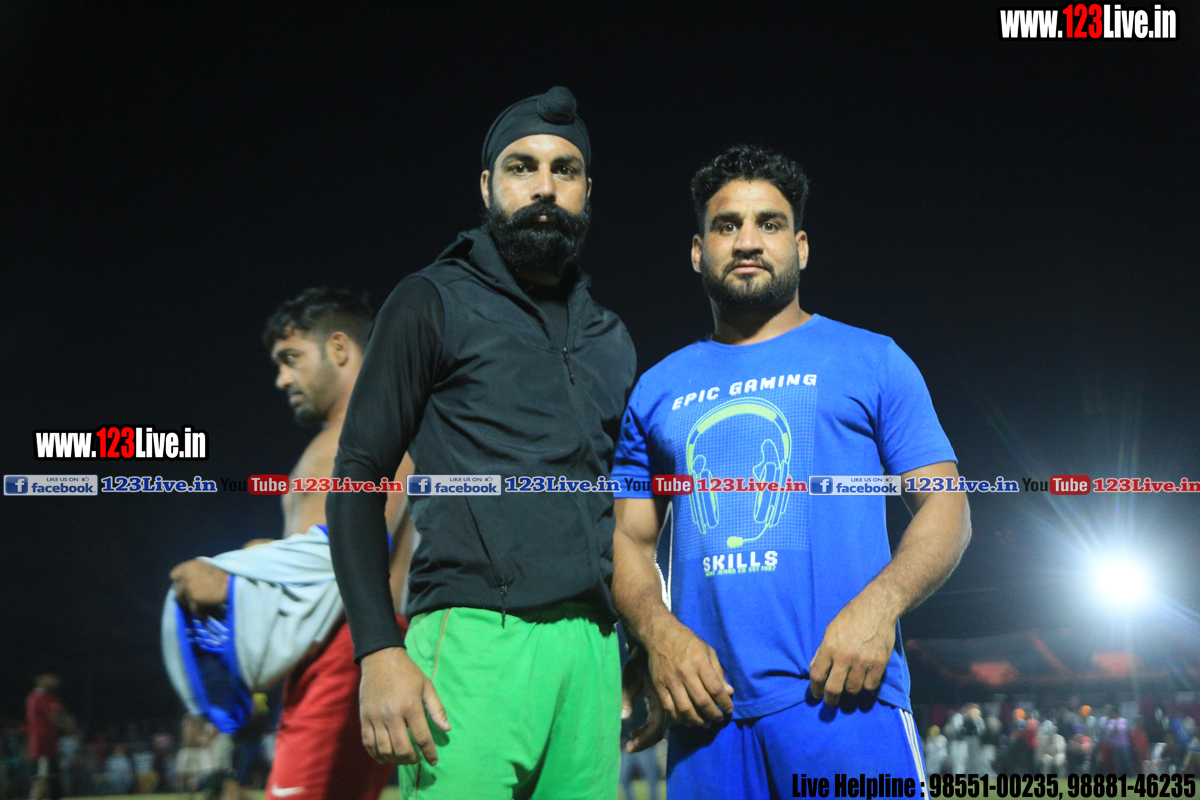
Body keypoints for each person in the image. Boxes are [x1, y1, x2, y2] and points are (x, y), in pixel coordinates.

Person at [610, 145, 971, 795]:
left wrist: (880, 607)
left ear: (800, 247)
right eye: (727, 225)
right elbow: (629, 542)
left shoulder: (874, 360)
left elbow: (947, 508)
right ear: (697, 251)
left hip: (846, 697)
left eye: (769, 224)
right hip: (706, 720)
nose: (748, 241)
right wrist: (657, 637)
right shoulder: (656, 389)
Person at [328, 85, 636, 798]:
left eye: (565, 170)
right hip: (471, 641)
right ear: (487, 186)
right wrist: (377, 648)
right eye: (522, 167)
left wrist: (644, 643)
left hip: (593, 653)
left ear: (588, 191)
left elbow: (629, 517)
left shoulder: (611, 337)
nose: (544, 186)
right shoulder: (431, 300)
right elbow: (356, 477)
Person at [169, 288, 415, 800]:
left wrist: (231, 579)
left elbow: (358, 545)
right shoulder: (349, 436)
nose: (282, 379)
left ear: (340, 349)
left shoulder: (370, 433)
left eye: (291, 358)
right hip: (337, 646)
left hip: (351, 646)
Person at [26, 668, 73, 800]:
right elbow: (56, 718)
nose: (54, 680)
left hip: (51, 747)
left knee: (55, 784)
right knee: (41, 780)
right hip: (42, 748)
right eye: (50, 677)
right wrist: (73, 731)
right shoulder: (38, 697)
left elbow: (61, 714)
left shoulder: (49, 697)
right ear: (40, 679)